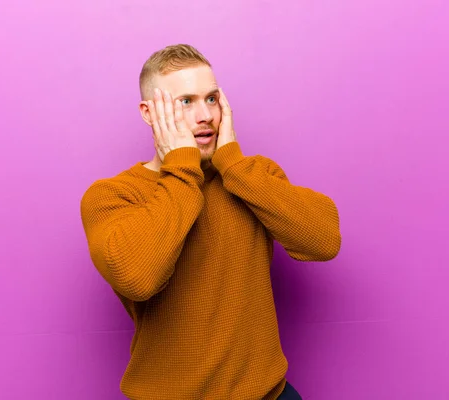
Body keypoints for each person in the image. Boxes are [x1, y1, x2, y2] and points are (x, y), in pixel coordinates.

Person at [80, 44, 341, 400]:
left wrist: (232, 165)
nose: (205, 115)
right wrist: (183, 166)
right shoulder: (113, 196)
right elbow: (138, 279)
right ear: (148, 113)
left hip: (270, 394)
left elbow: (324, 240)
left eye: (212, 98)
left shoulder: (251, 176)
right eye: (185, 101)